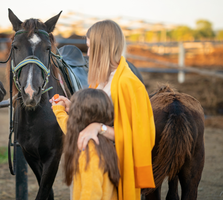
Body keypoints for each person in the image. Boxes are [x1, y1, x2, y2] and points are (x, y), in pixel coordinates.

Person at [51, 19, 155, 200]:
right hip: (93, 157)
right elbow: (95, 114)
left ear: (102, 47)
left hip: (114, 164)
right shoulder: (100, 80)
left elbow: (140, 137)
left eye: (91, 47)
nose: (88, 53)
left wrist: (99, 128)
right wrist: (72, 106)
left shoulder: (129, 84)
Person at [52, 88, 120, 200]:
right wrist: (58, 110)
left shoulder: (90, 154)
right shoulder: (98, 138)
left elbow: (90, 194)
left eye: (73, 110)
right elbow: (70, 128)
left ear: (77, 116)